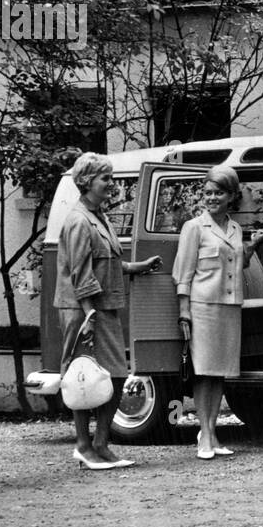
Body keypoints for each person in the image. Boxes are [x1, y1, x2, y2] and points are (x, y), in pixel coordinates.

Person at [55, 152, 160, 470]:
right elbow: (80, 273)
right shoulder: (78, 220)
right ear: (86, 182)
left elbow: (108, 263)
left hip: (105, 307)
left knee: (113, 377)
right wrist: (88, 315)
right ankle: (84, 445)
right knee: (82, 377)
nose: (111, 184)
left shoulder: (98, 216)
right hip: (84, 310)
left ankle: (101, 443)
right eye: (106, 179)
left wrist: (137, 267)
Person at [173, 165, 260, 460]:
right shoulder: (194, 227)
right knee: (203, 373)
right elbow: (183, 273)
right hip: (202, 307)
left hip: (230, 307)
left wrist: (250, 249)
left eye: (218, 192)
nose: (212, 198)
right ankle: (205, 436)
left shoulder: (235, 228)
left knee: (220, 373)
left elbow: (235, 265)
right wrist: (183, 311)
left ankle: (212, 431)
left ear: (231, 196)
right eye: (208, 192)